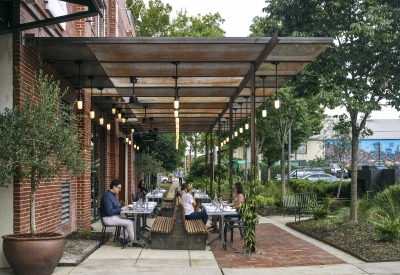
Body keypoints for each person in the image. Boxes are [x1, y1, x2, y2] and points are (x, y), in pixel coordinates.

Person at [100, 179, 134, 247]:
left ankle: (121, 238)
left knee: (133, 222)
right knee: (129, 223)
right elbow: (109, 212)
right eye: (119, 188)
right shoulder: (107, 196)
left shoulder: (112, 195)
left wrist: (124, 207)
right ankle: (133, 241)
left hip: (113, 217)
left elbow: (114, 208)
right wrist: (121, 209)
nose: (120, 189)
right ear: (114, 186)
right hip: (108, 219)